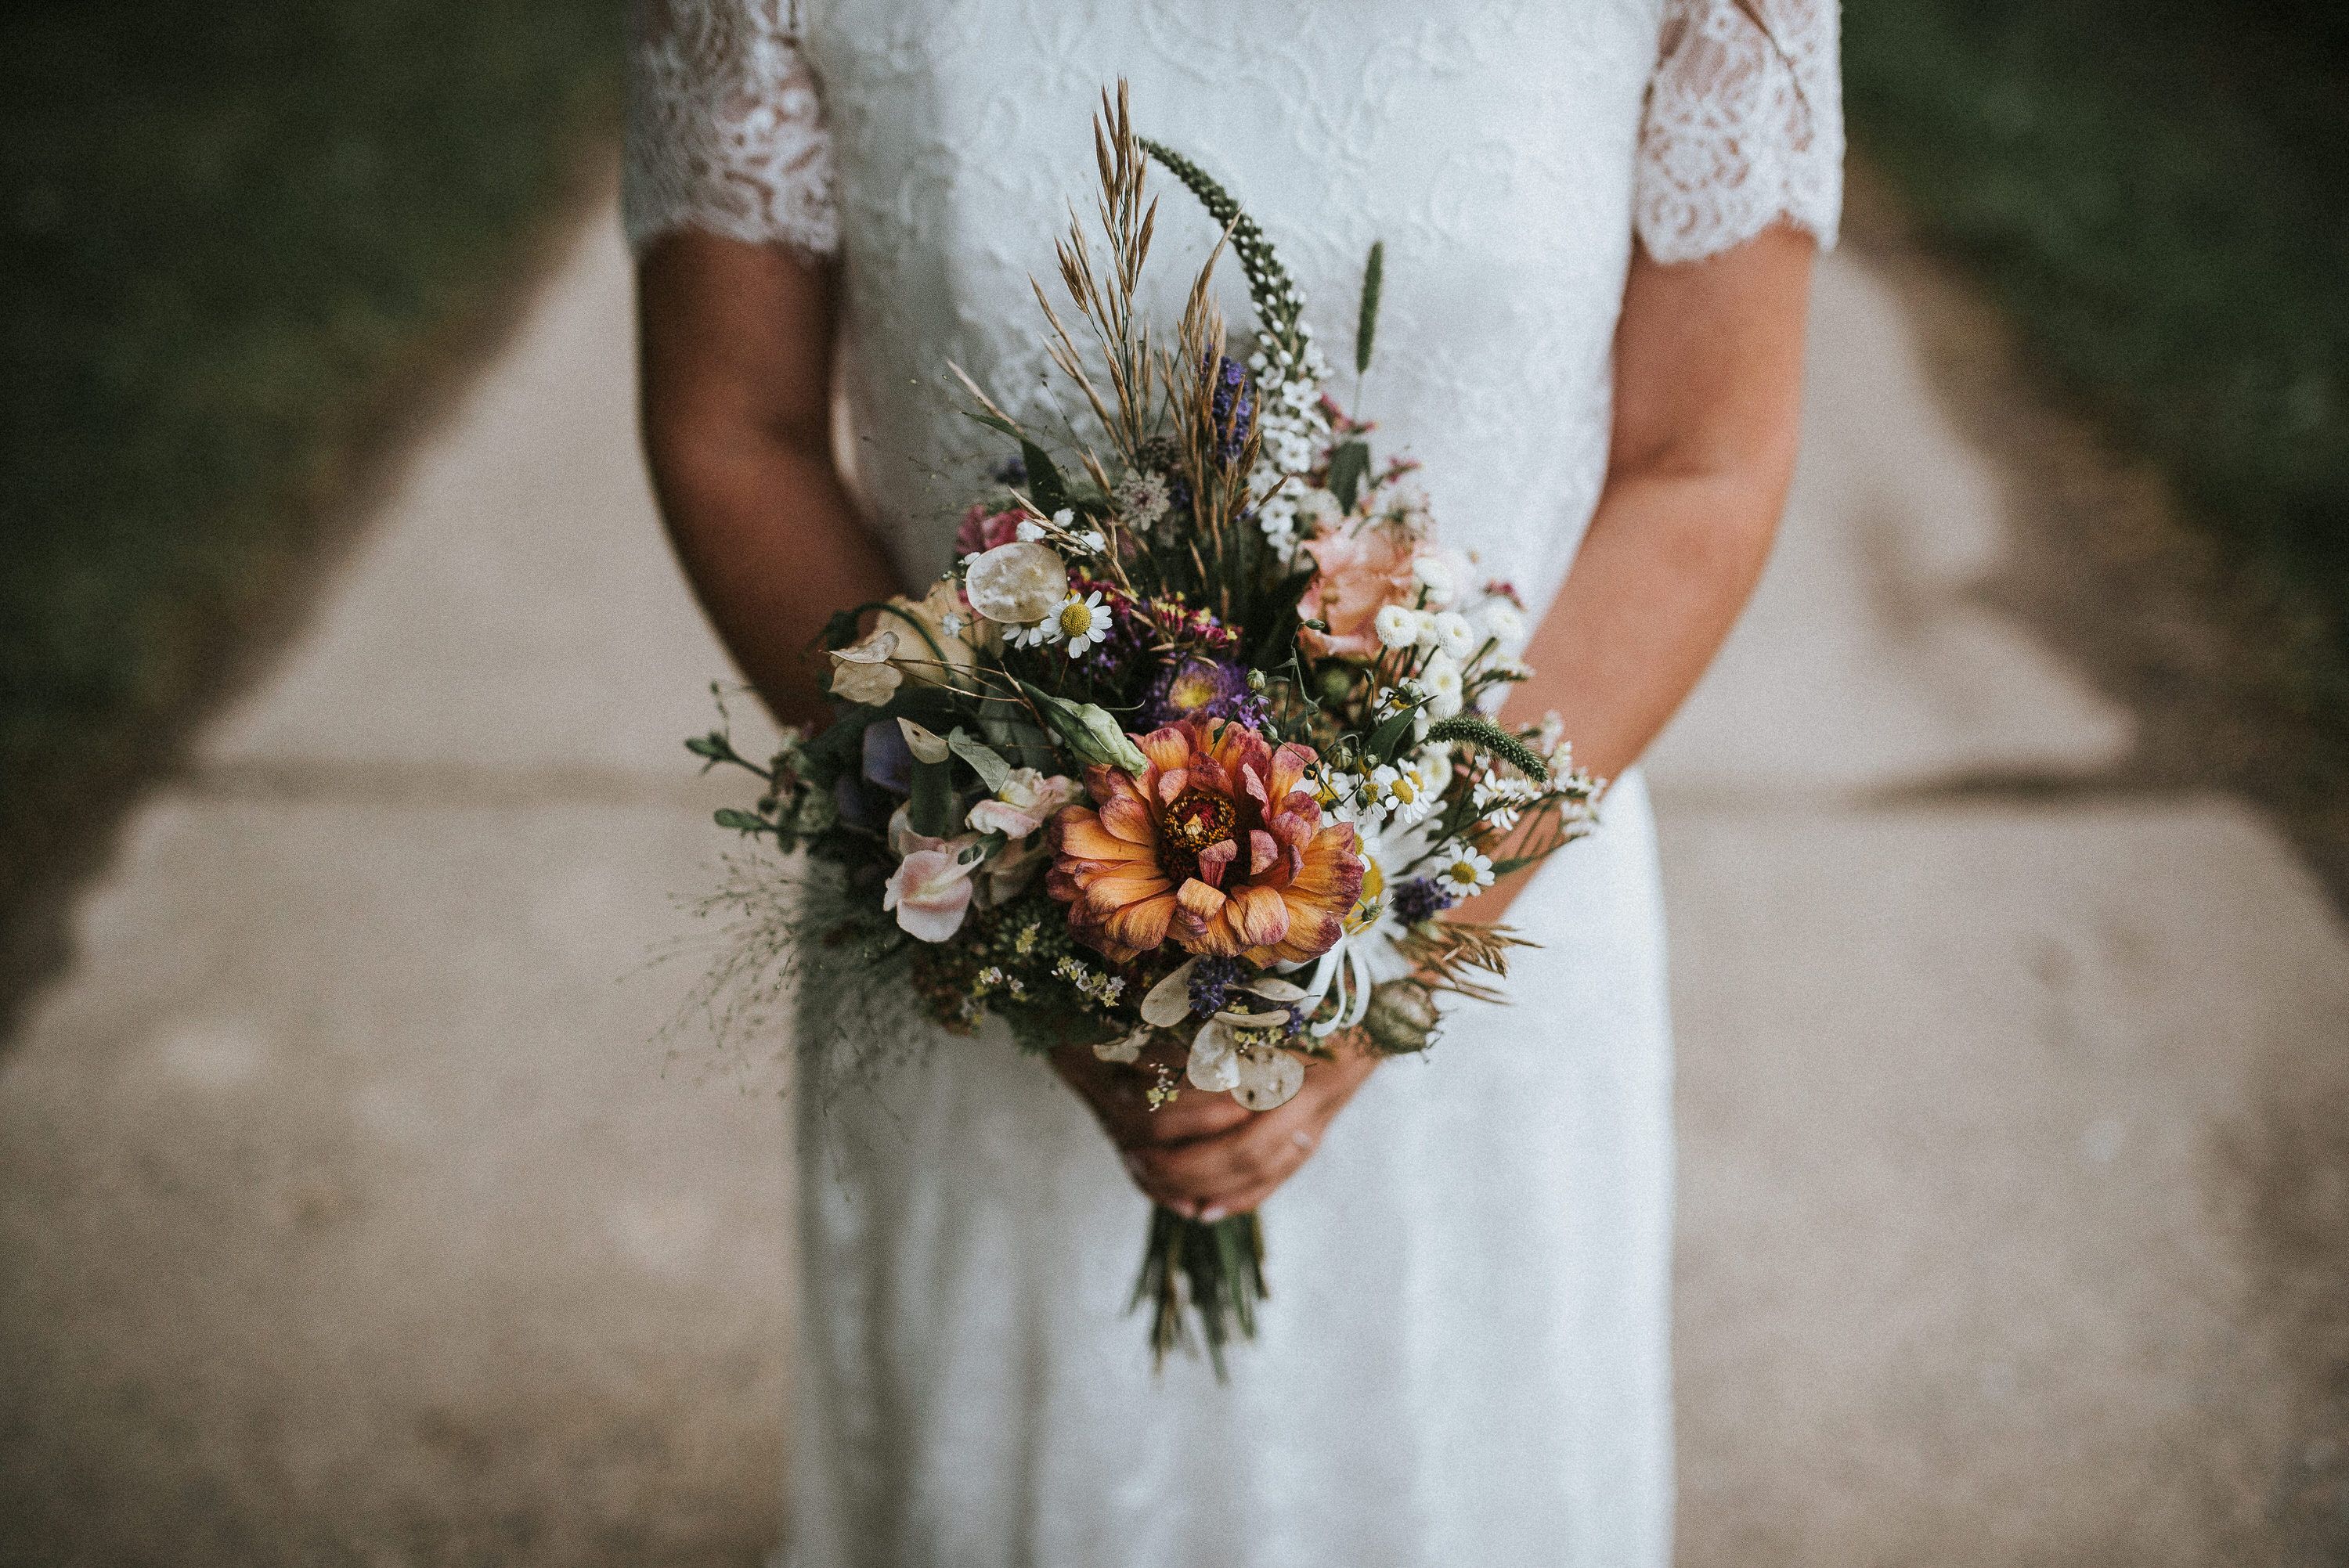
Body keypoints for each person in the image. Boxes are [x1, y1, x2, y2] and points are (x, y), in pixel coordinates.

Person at [627, 2, 1840, 1562]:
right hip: (978, 915)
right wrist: (1024, 911)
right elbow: (739, 423)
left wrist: (1379, 945)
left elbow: (1705, 459)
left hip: (1492, 908)